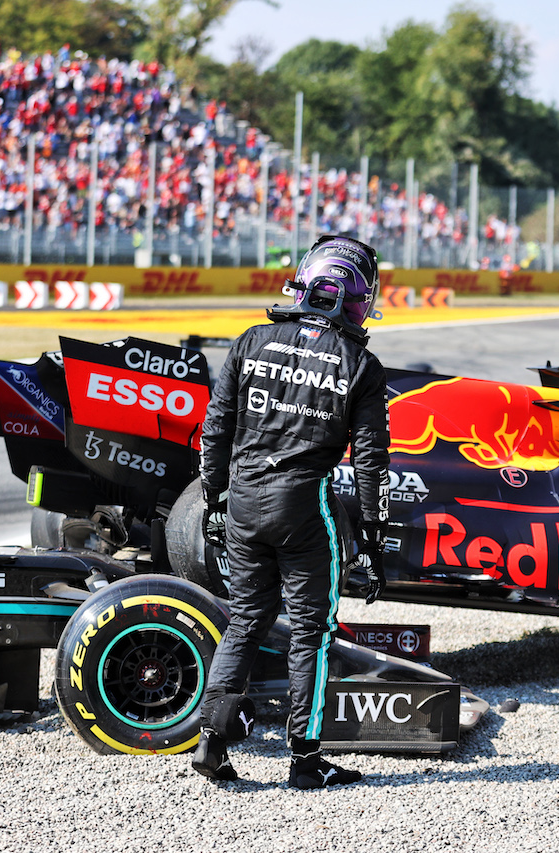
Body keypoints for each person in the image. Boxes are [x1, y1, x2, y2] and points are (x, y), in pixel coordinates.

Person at [192, 234, 391, 789]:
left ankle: (212, 741)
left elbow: (215, 430)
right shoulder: (362, 365)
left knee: (245, 621)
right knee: (313, 632)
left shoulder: (252, 339)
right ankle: (306, 759)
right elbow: (372, 460)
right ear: (357, 298)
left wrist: (214, 500)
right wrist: (371, 537)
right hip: (305, 507)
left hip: (244, 502)